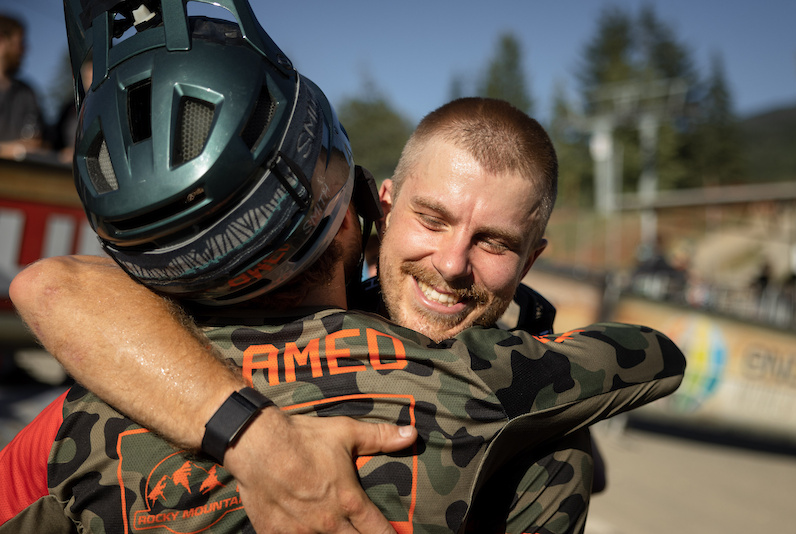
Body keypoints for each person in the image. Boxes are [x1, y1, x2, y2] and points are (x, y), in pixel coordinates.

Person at [1, 1, 685, 533]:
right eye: (433, 219)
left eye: (494, 244)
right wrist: (264, 444)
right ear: (370, 205)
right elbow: (652, 358)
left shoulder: (102, 399)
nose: (452, 264)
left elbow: (51, 287)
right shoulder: (506, 397)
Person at [0, 13, 43, 160]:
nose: (25, 50)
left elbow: (37, 142)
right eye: (20, 43)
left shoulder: (26, 93)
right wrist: (14, 150)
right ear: (1, 41)